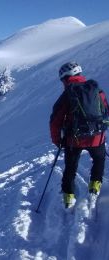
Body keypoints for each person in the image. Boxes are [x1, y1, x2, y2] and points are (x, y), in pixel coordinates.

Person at [50, 61, 109, 208]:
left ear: (65, 78)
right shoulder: (96, 89)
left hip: (74, 139)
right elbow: (106, 111)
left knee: (70, 167)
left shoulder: (67, 94)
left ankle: (68, 197)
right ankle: (95, 185)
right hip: (97, 137)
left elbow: (55, 121)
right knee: (99, 159)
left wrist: (58, 141)